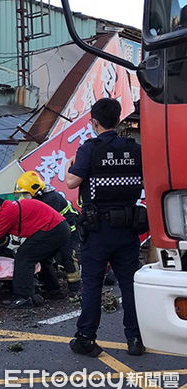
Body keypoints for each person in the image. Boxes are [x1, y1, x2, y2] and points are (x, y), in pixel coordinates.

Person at [65, 98, 145, 357]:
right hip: (129, 227)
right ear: (119, 120)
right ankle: (135, 338)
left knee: (91, 284)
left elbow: (71, 183)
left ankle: (86, 338)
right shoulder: (135, 149)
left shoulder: (90, 149)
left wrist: (70, 167)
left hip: (98, 228)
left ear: (94, 122)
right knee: (130, 284)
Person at [0, 195, 71, 308]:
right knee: (42, 259)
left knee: (23, 257)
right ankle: (53, 291)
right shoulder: (12, 207)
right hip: (59, 228)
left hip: (52, 229)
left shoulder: (7, 212)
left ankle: (24, 297)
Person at [14, 171, 82, 298]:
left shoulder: (51, 199)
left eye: (25, 193)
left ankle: (76, 289)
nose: (24, 196)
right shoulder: (39, 198)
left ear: (34, 190)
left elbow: (45, 222)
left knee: (68, 257)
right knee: (44, 259)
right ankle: (53, 291)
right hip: (54, 233)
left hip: (69, 231)